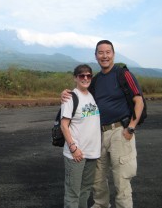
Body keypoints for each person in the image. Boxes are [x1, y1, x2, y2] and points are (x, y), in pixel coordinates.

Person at [61, 40, 144, 208]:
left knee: (121, 179)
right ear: (96, 55)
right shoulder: (96, 80)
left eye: (108, 52)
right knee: (97, 180)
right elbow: (80, 93)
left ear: (113, 54)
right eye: (101, 52)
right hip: (99, 136)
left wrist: (131, 128)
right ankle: (101, 205)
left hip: (120, 132)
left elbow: (139, 101)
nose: (104, 56)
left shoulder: (123, 74)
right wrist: (64, 94)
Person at [61, 64, 101, 208]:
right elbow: (64, 125)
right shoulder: (71, 97)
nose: (85, 78)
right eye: (81, 76)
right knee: (73, 194)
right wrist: (73, 147)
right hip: (76, 153)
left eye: (88, 75)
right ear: (75, 78)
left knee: (85, 191)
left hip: (92, 153)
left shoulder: (91, 95)